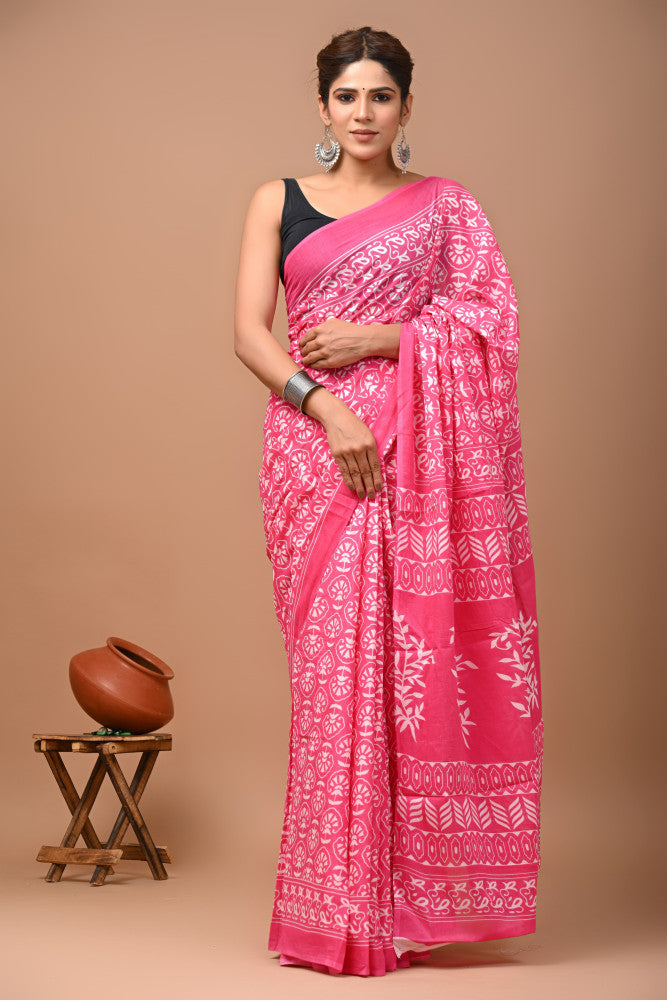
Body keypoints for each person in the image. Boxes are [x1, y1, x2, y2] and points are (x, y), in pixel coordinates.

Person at [234, 25, 543, 978]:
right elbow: (249, 334)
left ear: (406, 106)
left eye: (379, 96)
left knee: (404, 672)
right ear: (321, 106)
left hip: (417, 453)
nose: (362, 113)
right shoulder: (276, 199)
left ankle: (401, 910)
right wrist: (326, 408)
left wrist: (379, 340)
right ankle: (334, 912)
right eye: (346, 96)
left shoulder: (445, 207)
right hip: (313, 456)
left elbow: (490, 324)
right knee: (334, 685)